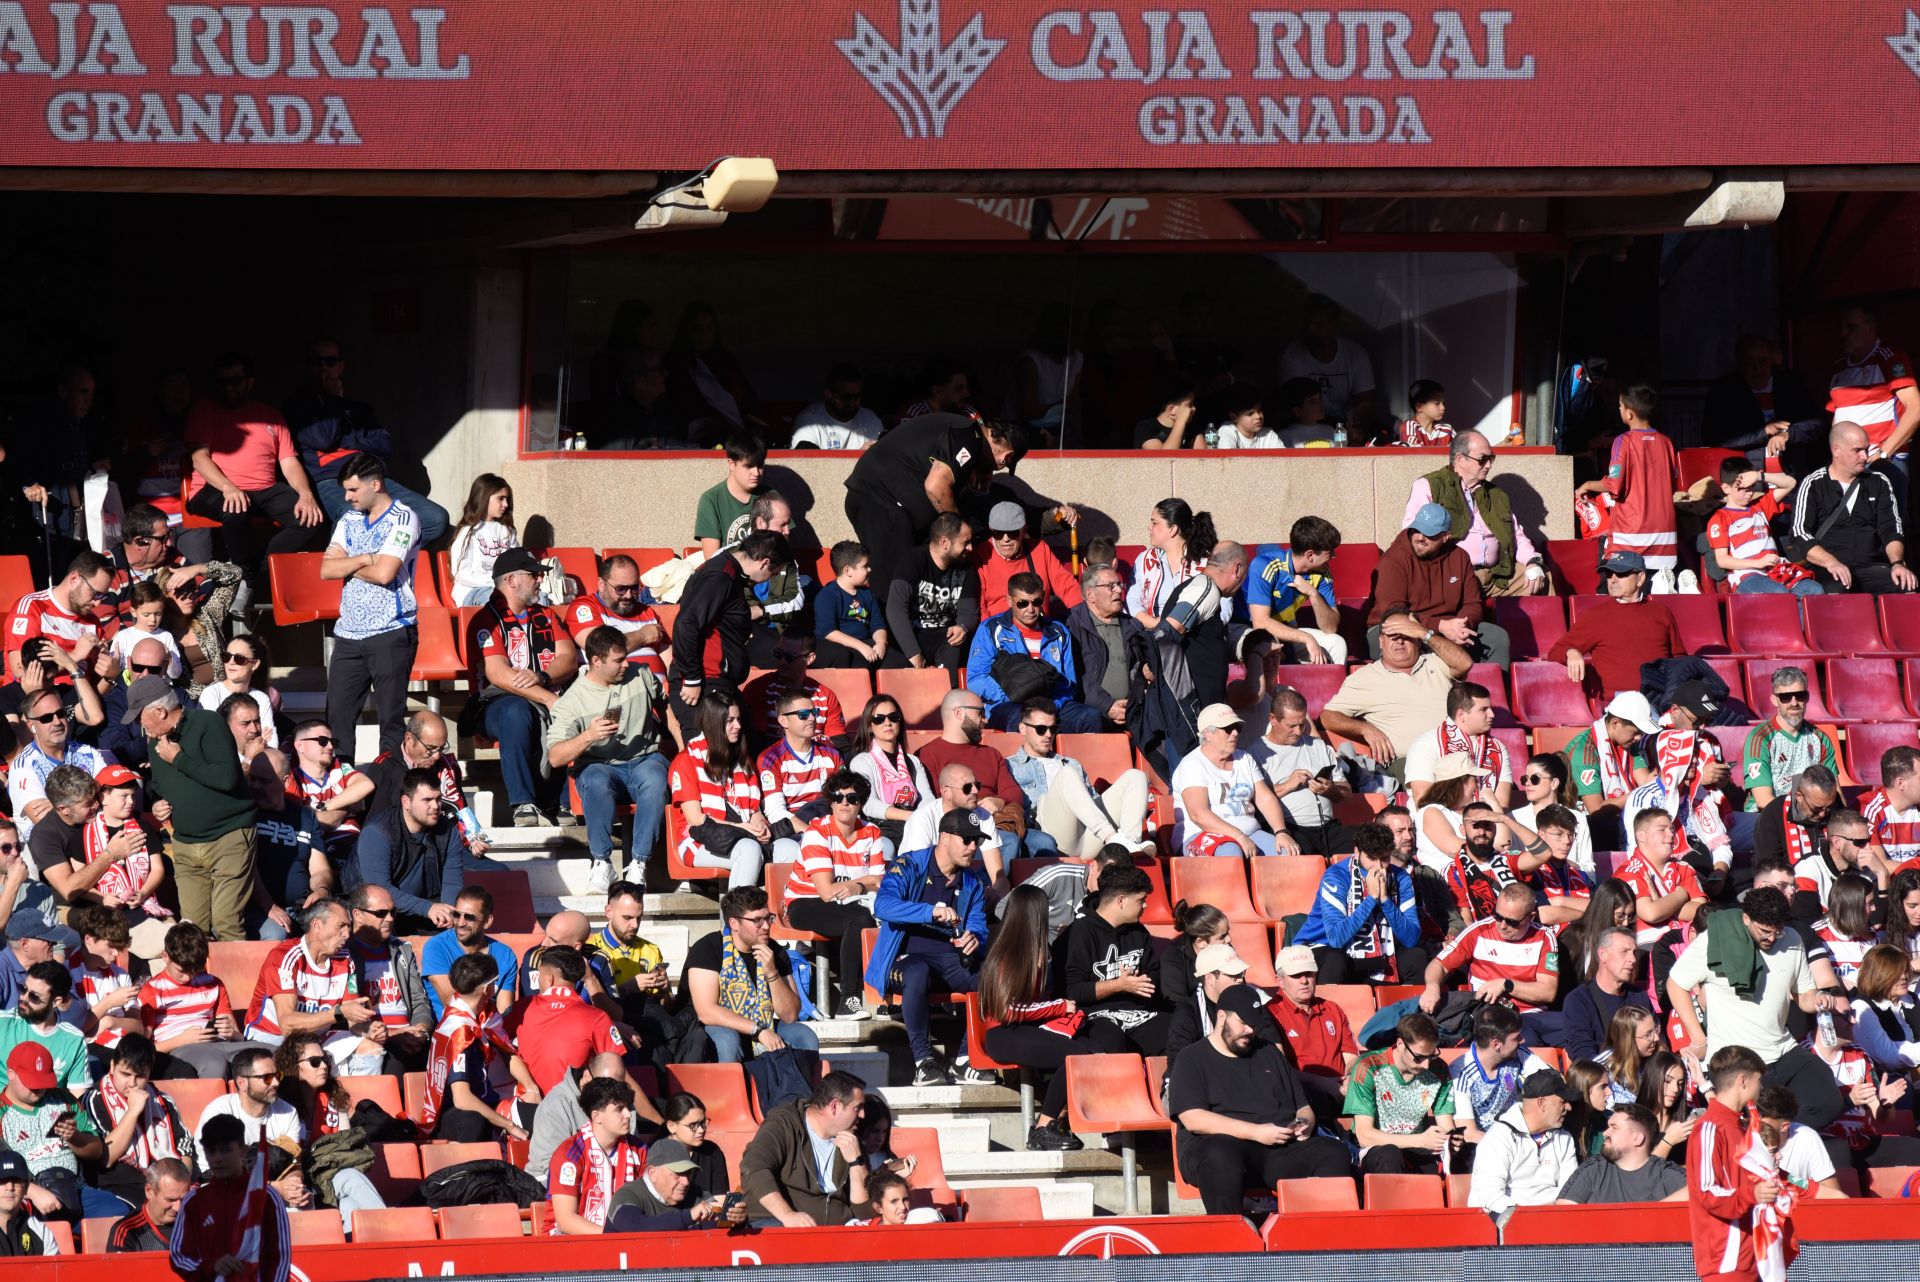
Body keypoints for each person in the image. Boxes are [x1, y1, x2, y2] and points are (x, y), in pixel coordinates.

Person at [1667, 886, 1846, 1131]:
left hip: (1783, 1050)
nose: (1771, 938)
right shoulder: (1714, 940)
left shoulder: (1792, 939)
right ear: (1746, 918)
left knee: (1828, 1101)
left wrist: (1818, 999)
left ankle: (1775, 1142)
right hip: (1738, 1061)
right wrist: (1699, 1037)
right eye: (1764, 931)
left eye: (1777, 931)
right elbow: (1675, 984)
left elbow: (1803, 995)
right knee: (1746, 1122)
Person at [1170, 983, 1351, 1213]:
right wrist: (1256, 1132)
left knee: (1333, 1152)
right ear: (1222, 1016)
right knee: (1219, 1150)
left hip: (1277, 1148)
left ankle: (1320, 1235)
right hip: (1222, 1149)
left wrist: (1304, 1125)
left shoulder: (1268, 1052)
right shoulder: (1192, 1057)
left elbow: (1303, 1107)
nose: (1249, 1031)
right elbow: (1193, 1119)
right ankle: (1230, 1235)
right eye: (1243, 1023)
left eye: (1253, 1024)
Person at [866, 812, 992, 1085]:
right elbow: (883, 906)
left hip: (949, 960)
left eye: (977, 842)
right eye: (967, 840)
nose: (973, 848)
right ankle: (924, 1062)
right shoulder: (908, 865)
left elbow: (979, 927)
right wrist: (930, 912)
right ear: (944, 838)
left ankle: (964, 1059)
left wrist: (975, 939)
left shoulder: (973, 881)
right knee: (918, 971)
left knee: (995, 977)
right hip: (903, 961)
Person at [126, 677, 255, 941]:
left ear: (160, 711)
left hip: (228, 837)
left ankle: (233, 982)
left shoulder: (207, 722)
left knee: (226, 922)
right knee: (191, 930)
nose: (140, 724)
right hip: (186, 844)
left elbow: (227, 778)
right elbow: (161, 787)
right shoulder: (155, 744)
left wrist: (179, 758)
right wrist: (159, 804)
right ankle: (198, 983)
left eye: (141, 717)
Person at [843, 411, 1023, 598]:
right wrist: (960, 532)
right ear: (1007, 457)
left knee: (906, 581)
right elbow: (936, 487)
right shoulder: (969, 435)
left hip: (884, 503)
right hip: (880, 502)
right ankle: (886, 627)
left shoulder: (964, 433)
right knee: (895, 586)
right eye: (1003, 466)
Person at [546, 625, 668, 894]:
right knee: (595, 779)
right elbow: (555, 757)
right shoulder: (572, 701)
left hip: (643, 758)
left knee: (655, 779)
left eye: (626, 657)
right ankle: (601, 863)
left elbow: (668, 708)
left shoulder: (641, 675)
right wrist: (588, 736)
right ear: (596, 661)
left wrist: (685, 754)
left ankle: (639, 864)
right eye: (618, 660)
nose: (626, 664)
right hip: (600, 765)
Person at [975, 884, 1096, 1151]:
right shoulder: (1008, 955)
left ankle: (1060, 1119)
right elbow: (1008, 1011)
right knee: (1075, 1057)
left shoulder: (1036, 951)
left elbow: (1033, 1005)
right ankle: (1043, 1128)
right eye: (1045, 909)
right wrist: (1058, 1007)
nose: (1050, 914)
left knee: (1089, 1049)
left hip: (1024, 1029)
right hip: (1003, 1034)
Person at [466, 546, 580, 827]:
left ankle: (566, 803)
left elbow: (568, 658)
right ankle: (523, 803)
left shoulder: (547, 616)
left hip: (544, 692)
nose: (540, 580)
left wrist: (541, 677)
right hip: (493, 705)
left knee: (577, 708)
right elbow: (499, 674)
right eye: (534, 575)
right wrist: (549, 699)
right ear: (511, 580)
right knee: (516, 711)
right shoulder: (485, 620)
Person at [182, 353, 326, 575]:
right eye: (223, 382)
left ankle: (248, 573)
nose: (229, 387)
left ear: (250, 382)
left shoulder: (270, 415)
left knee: (310, 518)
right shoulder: (205, 410)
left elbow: (289, 462)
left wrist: (306, 494)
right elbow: (199, 457)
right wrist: (228, 487)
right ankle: (244, 578)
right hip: (214, 488)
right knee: (235, 509)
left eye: (236, 381)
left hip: (264, 489)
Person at [318, 451, 419, 758]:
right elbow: (325, 570)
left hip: (390, 630)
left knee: (390, 722)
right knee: (336, 720)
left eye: (353, 489)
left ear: (375, 484)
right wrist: (362, 558)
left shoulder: (404, 518)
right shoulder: (349, 519)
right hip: (349, 633)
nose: (347, 497)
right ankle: (343, 788)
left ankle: (387, 797)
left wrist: (346, 563)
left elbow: (384, 573)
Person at [783, 771, 886, 1021]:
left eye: (852, 798)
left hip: (851, 902)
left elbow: (881, 882)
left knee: (887, 916)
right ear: (830, 801)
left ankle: (885, 995)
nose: (844, 803)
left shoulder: (871, 832)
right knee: (860, 918)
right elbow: (826, 892)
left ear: (861, 803)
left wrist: (857, 887)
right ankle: (848, 1000)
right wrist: (864, 883)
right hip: (804, 903)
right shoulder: (817, 833)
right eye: (838, 797)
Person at [669, 529, 786, 739]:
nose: (770, 579)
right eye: (773, 573)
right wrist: (692, 678)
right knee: (709, 756)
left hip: (719, 682)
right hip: (705, 683)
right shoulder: (720, 576)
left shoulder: (732, 573)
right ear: (764, 562)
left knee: (750, 749)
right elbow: (686, 623)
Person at [685, 885, 819, 1064]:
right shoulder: (707, 949)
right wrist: (757, 1030)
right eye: (757, 920)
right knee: (728, 1040)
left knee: (804, 1036)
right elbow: (706, 1012)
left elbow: (790, 1015)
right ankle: (730, 1092)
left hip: (762, 1022)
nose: (766, 926)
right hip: (715, 1027)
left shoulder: (775, 952)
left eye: (768, 918)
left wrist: (772, 973)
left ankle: (800, 1091)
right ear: (734, 923)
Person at [1322, 610, 1471, 772]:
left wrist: (1423, 632)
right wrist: (1365, 729)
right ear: (1380, 641)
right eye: (1392, 635)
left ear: (1418, 640)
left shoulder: (1435, 662)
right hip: (1408, 763)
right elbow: (1328, 716)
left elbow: (1464, 663)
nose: (1400, 640)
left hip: (1455, 756)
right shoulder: (1364, 678)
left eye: (1407, 634)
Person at [1403, 432, 1548, 597]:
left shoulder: (1496, 495)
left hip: (1497, 574)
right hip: (1453, 576)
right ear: (1459, 459)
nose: (1488, 466)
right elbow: (1411, 533)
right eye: (1482, 460)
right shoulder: (1430, 486)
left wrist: (1532, 562)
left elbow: (1516, 536)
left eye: (1491, 459)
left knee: (1541, 578)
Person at [1006, 697, 1154, 858]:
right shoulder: (1010, 766)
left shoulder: (1071, 763)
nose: (1048, 735)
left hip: (1088, 836)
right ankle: (1112, 838)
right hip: (1049, 835)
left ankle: (1129, 843)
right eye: (1041, 729)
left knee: (1136, 776)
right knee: (1067, 774)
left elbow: (1093, 802)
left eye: (1053, 728)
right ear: (1023, 728)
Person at [1368, 504, 1510, 667]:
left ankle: (1488, 692)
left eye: (1429, 534)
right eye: (1417, 530)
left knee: (1497, 638)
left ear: (1445, 536)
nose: (1420, 537)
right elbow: (1393, 613)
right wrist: (1440, 627)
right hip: (1400, 626)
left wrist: (1462, 626)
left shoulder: (1460, 557)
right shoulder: (1394, 559)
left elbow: (1473, 603)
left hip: (1450, 626)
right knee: (1401, 638)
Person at [243, 900, 377, 1072]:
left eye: (348, 927)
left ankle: (360, 1099)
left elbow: (351, 1016)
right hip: (272, 1038)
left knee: (371, 1049)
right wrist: (338, 1013)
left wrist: (368, 1029)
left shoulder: (347, 961)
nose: (347, 934)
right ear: (316, 925)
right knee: (308, 1061)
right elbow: (287, 1025)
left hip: (315, 1039)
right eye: (341, 926)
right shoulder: (284, 957)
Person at [670, 692, 787, 890]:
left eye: (738, 719)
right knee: (749, 850)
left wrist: (760, 826)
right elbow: (696, 819)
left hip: (742, 836)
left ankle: (781, 915)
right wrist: (743, 828)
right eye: (730, 720)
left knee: (791, 848)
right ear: (713, 723)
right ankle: (736, 919)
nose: (738, 726)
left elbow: (754, 811)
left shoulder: (745, 762)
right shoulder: (686, 761)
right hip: (697, 840)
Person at [1057, 863, 1172, 1063]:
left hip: (1137, 1014)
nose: (1145, 905)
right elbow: (1071, 991)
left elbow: (1154, 973)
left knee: (1175, 1028)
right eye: (1141, 900)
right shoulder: (1078, 934)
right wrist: (1119, 985)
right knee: (1111, 1040)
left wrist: (1142, 982)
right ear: (1121, 901)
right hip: (1091, 1017)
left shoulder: (1138, 932)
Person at [1572, 383, 1683, 588]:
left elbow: (1614, 484)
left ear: (1630, 414)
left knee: (1609, 585)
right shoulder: (1666, 442)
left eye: (1621, 406)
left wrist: (1587, 484)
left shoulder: (1623, 441)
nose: (1619, 410)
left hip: (1631, 535)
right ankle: (1663, 584)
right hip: (1665, 537)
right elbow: (1673, 485)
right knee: (1651, 590)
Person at [1424, 882, 1562, 1044]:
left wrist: (1506, 985)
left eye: (1512, 922)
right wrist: (1432, 987)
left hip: (1533, 1015)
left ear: (1531, 917)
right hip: (1490, 1015)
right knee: (1524, 1039)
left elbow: (1548, 991)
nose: (1502, 926)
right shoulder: (1479, 931)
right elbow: (1438, 964)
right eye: (1498, 916)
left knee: (1578, 1028)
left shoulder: (1544, 937)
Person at [966, 572, 1104, 734]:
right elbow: (976, 678)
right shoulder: (990, 629)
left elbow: (1067, 682)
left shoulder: (1059, 632)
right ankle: (1019, 760)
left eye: (1037, 602)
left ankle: (1079, 760)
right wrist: (1014, 694)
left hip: (1050, 705)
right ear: (1009, 601)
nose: (1030, 609)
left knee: (1091, 717)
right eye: (1022, 603)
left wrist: (1052, 706)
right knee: (1019, 720)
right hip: (1008, 705)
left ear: (1044, 598)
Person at [1686, 1046, 1778, 1282]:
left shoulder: (1742, 1127)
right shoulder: (1709, 1127)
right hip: (1727, 1261)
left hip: (1753, 1258)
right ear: (1743, 1081)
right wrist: (1754, 1193)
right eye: (1759, 1081)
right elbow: (1707, 1192)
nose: (1761, 1089)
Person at [419, 952, 531, 1143]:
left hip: (486, 1097)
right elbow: (462, 1099)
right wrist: (509, 1125)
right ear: (488, 989)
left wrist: (531, 1088)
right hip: (450, 1115)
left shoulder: (483, 1016)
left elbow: (506, 1051)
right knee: (474, 1121)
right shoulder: (460, 1032)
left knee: (534, 1112)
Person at [1790, 423, 1915, 594]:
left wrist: (1897, 564)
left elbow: (1891, 528)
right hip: (1829, 568)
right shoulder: (1813, 484)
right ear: (1836, 450)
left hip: (1873, 565)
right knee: (1836, 589)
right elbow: (1799, 533)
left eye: (1866, 449)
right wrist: (1830, 562)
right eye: (1857, 450)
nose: (1864, 456)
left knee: (1906, 585)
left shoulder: (1878, 482)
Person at [1546, 549, 1684, 702]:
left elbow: (1679, 658)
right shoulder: (1595, 616)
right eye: (1609, 574)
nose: (1612, 579)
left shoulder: (1661, 612)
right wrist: (1571, 652)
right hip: (1621, 705)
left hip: (1662, 699)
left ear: (1640, 578)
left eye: (1621, 574)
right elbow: (1555, 652)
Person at [1296, 822, 1425, 984]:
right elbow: (1336, 938)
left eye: (1384, 858)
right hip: (1324, 945)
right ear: (1357, 852)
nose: (1378, 866)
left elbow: (1411, 938)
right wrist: (1371, 899)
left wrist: (1385, 900)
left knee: (1416, 957)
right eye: (1372, 858)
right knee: (1335, 960)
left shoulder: (1401, 878)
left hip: (1382, 950)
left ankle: (1408, 1008)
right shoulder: (1336, 876)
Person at [169, 1113, 291, 1282]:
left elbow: (280, 1257)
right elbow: (179, 1256)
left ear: (243, 1150)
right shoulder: (194, 1202)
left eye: (226, 1149)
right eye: (211, 1151)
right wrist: (212, 1267)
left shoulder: (267, 1197)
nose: (217, 1158)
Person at [740, 1070, 867, 1228]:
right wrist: (787, 1215)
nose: (862, 1115)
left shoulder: (852, 1139)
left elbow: (865, 1214)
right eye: (858, 1108)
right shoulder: (784, 1123)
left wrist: (856, 1163)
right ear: (834, 1106)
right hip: (781, 1227)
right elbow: (754, 1167)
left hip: (837, 1235)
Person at [77, 1034, 193, 1207]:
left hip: (169, 1185)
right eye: (125, 1074)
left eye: (140, 1076)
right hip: (119, 1187)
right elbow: (106, 1157)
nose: (132, 1083)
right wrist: (132, 1112)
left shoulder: (163, 1101)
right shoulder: (93, 1101)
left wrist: (181, 1184)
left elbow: (184, 1148)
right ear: (112, 1066)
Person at [352, 768, 470, 936]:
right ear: (406, 802)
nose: (435, 806)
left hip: (425, 909)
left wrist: (447, 914)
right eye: (427, 800)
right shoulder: (378, 832)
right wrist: (428, 908)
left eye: (438, 799)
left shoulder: (448, 831)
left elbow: (452, 882)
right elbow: (380, 889)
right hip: (377, 913)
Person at [1170, 703, 1298, 856]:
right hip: (1199, 834)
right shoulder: (1192, 764)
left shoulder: (1245, 758)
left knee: (1287, 852)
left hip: (1248, 832)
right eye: (1228, 729)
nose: (1236, 733)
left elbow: (1265, 799)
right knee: (1230, 853)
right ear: (1207, 734)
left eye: (1238, 727)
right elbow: (1198, 814)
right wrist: (1238, 836)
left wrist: (1281, 831)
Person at [1344, 1011, 1462, 1175]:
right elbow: (1365, 1136)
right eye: (1419, 1057)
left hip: (1418, 1146)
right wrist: (1420, 1140)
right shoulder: (1369, 1067)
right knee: (1390, 1155)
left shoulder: (1439, 1069)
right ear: (1400, 1044)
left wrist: (1451, 1142)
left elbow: (1446, 1124)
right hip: (1376, 1149)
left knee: (1465, 1154)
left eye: (1432, 1056)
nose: (1427, 1065)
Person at [361, 710, 489, 855]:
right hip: (404, 852)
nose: (436, 756)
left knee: (496, 871)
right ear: (409, 739)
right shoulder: (385, 768)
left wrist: (474, 840)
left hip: (447, 845)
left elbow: (460, 810)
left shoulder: (446, 766)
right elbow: (375, 825)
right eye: (430, 749)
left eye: (441, 749)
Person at [1248, 688, 1350, 856]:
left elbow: (1347, 793)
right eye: (1291, 726)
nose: (1298, 731)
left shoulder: (1318, 746)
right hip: (1291, 828)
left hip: (1329, 827)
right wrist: (1287, 786)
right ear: (1273, 719)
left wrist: (1331, 789)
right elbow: (1252, 804)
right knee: (1297, 854)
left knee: (1366, 848)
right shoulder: (1255, 753)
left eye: (1302, 725)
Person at [1828, 305, 1920, 491]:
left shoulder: (1890, 359)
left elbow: (1916, 409)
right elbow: (1837, 421)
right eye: (1841, 328)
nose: (1844, 333)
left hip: (1882, 464)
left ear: (1870, 328)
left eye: (1851, 327)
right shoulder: (1838, 369)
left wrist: (1885, 453)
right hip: (1847, 467)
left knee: (1888, 520)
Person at [137, 922, 245, 1080]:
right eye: (181, 971)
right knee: (215, 1063)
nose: (187, 977)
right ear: (165, 956)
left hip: (220, 1044)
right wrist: (181, 1040)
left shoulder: (213, 984)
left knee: (271, 1053)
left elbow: (237, 1036)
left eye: (194, 971)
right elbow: (143, 1049)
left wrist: (233, 1034)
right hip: (180, 1050)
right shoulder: (152, 991)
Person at [1465, 1067, 1581, 1214]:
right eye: (1563, 1101)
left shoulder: (1564, 1139)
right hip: (1505, 1223)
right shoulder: (1499, 1138)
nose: (1569, 1107)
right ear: (1541, 1103)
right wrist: (1529, 1220)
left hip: (1553, 1222)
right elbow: (1490, 1197)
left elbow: (1570, 1193)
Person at [1265, 943, 1361, 1116]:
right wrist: (1323, 1083)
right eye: (1296, 975)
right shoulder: (1270, 1014)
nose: (1304, 980)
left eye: (1308, 973)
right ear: (1280, 981)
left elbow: (1351, 1057)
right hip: (1302, 1096)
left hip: (1342, 1089)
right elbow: (1278, 1070)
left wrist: (1350, 1080)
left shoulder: (1333, 1009)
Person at [344, 884, 433, 1073]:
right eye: (381, 913)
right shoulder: (345, 954)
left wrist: (420, 1031)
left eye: (393, 912)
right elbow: (346, 1014)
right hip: (369, 1037)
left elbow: (420, 1002)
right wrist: (392, 1035)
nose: (390, 919)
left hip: (409, 1036)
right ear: (358, 915)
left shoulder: (402, 950)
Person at [8, 686, 113, 845]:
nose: (57, 722)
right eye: (46, 718)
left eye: (61, 714)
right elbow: (47, 822)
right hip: (51, 851)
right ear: (31, 726)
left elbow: (111, 799)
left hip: (98, 836)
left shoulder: (88, 753)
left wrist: (61, 804)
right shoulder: (23, 767)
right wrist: (91, 798)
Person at [544, 1076, 647, 1235]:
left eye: (627, 1107)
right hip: (566, 1242)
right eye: (619, 1109)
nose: (628, 1114)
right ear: (596, 1116)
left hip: (621, 1238)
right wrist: (612, 1237)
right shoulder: (569, 1155)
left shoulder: (639, 1149)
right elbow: (565, 1221)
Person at [245, 750, 330, 942]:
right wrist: (268, 905)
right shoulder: (246, 814)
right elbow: (245, 866)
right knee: (276, 934)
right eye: (253, 778)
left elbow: (319, 869)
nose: (256, 786)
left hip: (300, 908)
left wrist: (321, 890)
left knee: (337, 927)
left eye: (264, 780)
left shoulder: (305, 817)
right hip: (257, 908)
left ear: (284, 783)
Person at [883, 511, 979, 670]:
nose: (970, 548)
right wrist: (913, 653)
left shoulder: (966, 570)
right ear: (945, 543)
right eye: (965, 543)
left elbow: (968, 612)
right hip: (911, 635)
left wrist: (962, 627)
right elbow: (895, 608)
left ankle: (949, 693)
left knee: (954, 647)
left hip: (944, 637)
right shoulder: (913, 561)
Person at [1708, 456, 1817, 595]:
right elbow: (1722, 561)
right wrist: (1757, 563)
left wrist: (1759, 475)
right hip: (1747, 575)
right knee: (1779, 593)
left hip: (1777, 570)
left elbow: (1791, 483)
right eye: (1743, 489)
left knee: (1814, 590)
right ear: (1726, 488)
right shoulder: (1720, 518)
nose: (1749, 493)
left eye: (1752, 487)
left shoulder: (1760, 506)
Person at [1245, 517, 1347, 664]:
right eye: (1330, 552)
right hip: (1249, 630)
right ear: (1310, 555)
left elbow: (1330, 628)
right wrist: (1306, 638)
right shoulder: (1265, 565)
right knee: (1271, 648)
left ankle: (1334, 687)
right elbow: (1260, 623)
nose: (1333, 556)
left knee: (1337, 644)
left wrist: (1313, 593)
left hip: (1287, 631)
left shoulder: (1322, 572)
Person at [1065, 560, 1149, 735]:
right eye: (1111, 586)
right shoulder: (1071, 626)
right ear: (1090, 594)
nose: (1119, 590)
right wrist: (1107, 705)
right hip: (1093, 716)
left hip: (1132, 712)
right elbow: (1076, 676)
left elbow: (1142, 667)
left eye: (1119, 584)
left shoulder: (1132, 626)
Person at [1742, 668, 1840, 816]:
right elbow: (1763, 801)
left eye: (1800, 695)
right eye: (1785, 697)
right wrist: (1799, 821)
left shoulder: (1821, 739)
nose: (1794, 703)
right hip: (1764, 817)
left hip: (1810, 815)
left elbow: (1834, 791)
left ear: (1807, 697)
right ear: (1774, 700)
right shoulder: (1760, 739)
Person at [4, 550, 112, 682]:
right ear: (74, 579)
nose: (98, 602)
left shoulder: (92, 620)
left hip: (81, 698)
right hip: (41, 698)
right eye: (95, 593)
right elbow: (20, 671)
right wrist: (75, 655)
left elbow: (97, 682)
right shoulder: (33, 607)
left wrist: (105, 669)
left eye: (103, 596)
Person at [1703, 333, 1820, 453]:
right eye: (1749, 363)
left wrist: (1789, 434)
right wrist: (1763, 432)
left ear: (1771, 360)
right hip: (1744, 466)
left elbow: (1816, 424)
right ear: (1739, 363)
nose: (1757, 369)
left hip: (1791, 466)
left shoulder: (1791, 385)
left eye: (1762, 361)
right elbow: (1716, 440)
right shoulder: (1723, 392)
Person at [1404, 682, 1514, 809]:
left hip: (1487, 823)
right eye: (1484, 710)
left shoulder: (1498, 747)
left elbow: (1502, 803)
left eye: (1490, 709)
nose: (1492, 715)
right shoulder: (1425, 745)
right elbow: (1423, 801)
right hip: (1439, 823)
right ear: (1461, 714)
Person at [1554, 1101, 1687, 1204]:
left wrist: (1651, 1214)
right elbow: (1564, 1211)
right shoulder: (1594, 1168)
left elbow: (1702, 1192)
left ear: (1637, 1138)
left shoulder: (1663, 1173)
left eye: (1614, 1127)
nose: (1605, 1133)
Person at [605, 1137, 748, 1232]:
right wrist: (689, 1216)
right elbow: (635, 1227)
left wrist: (734, 1220)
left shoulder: (696, 1194)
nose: (685, 1181)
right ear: (653, 1173)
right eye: (677, 1174)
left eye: (688, 1173)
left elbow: (715, 1227)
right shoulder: (628, 1195)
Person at [847, 694, 932, 854]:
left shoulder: (913, 761)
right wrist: (913, 817)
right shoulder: (862, 761)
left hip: (915, 824)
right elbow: (869, 805)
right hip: (882, 828)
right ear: (869, 726)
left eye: (893, 717)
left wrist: (919, 819)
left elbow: (927, 799)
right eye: (879, 719)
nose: (887, 723)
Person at [422, 886, 521, 1020]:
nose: (460, 923)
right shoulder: (436, 947)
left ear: (487, 921)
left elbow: (504, 1013)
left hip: (490, 1031)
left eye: (469, 917)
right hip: (450, 1033)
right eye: (456, 915)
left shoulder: (505, 955)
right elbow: (454, 1005)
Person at [971, 501, 1083, 620]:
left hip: (1040, 629)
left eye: (1013, 532)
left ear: (1024, 531)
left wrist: (1083, 617)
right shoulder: (981, 556)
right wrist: (991, 634)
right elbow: (979, 607)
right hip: (998, 631)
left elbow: (1067, 586)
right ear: (991, 530)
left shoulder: (1039, 549)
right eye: (998, 533)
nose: (1005, 539)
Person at [1278, 292, 1376, 428]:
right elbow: (1294, 404)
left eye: (1319, 325)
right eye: (1308, 324)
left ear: (1334, 326)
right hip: (1308, 426)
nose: (1312, 330)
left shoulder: (1356, 354)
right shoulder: (1293, 355)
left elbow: (1366, 403)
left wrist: (1355, 420)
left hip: (1347, 425)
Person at [1562, 926, 1654, 1063]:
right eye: (1624, 952)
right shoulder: (1579, 1000)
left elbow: (1657, 1042)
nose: (1633, 959)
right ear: (1602, 954)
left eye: (1634, 952)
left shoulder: (1640, 997)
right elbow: (1582, 1052)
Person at [286, 721, 370, 862]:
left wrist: (324, 807)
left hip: (356, 847)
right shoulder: (292, 779)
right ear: (300, 746)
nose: (330, 746)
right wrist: (346, 808)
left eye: (333, 741)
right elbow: (312, 824)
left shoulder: (339, 767)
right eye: (322, 741)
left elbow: (366, 785)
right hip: (319, 854)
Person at [1127, 497, 1214, 626]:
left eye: (1154, 523)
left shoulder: (1206, 562)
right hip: (1152, 633)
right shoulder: (1145, 559)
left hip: (1195, 635)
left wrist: (1177, 627)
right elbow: (1133, 600)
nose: (1149, 527)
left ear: (1172, 529)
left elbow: (1222, 609)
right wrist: (1156, 625)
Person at [813, 541, 889, 670]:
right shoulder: (827, 595)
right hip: (843, 647)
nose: (870, 569)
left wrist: (881, 643)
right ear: (848, 570)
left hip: (868, 644)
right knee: (858, 664)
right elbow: (827, 631)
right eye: (865, 566)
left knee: (899, 662)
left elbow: (878, 625)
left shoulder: (867, 593)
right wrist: (860, 646)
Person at [1845, 943, 1920, 1076]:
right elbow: (1888, 1056)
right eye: (1896, 972)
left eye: (1905, 970)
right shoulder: (1862, 1007)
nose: (1904, 976)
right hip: (1888, 1085)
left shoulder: (1910, 999)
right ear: (1880, 975)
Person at [1753, 764, 1842, 874]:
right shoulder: (1774, 812)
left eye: (1828, 808)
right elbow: (1767, 867)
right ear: (1799, 796)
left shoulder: (1837, 808)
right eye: (1816, 809)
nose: (1823, 814)